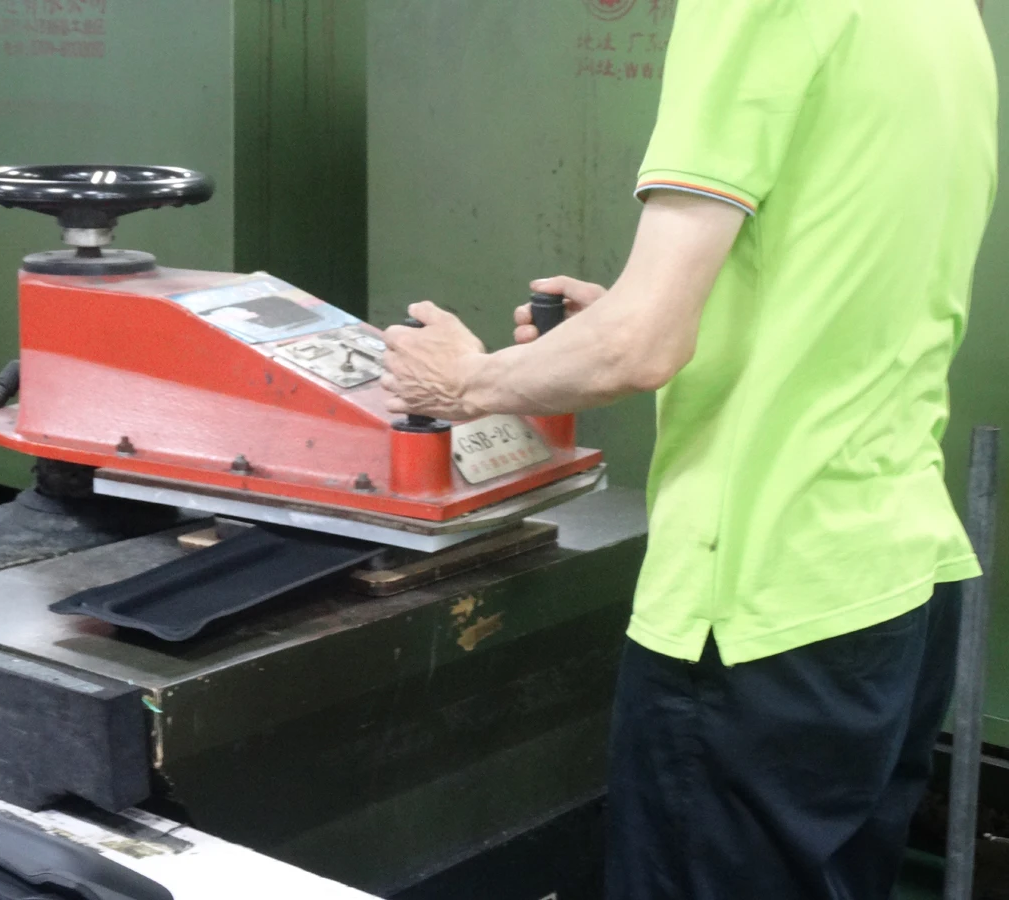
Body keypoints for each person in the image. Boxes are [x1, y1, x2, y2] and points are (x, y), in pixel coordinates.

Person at [380, 0, 997, 897]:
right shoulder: (942, 18)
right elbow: (836, 293)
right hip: (895, 584)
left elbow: (640, 347)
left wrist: (464, 383)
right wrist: (611, 334)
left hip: (757, 605)